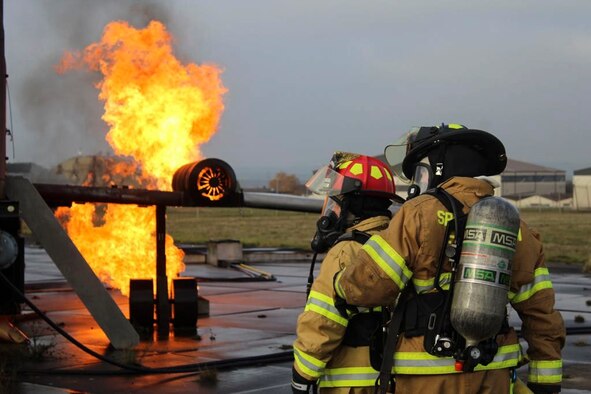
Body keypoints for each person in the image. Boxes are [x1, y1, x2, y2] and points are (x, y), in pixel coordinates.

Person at [334, 124, 565, 394]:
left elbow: (369, 286)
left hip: (426, 371)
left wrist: (341, 285)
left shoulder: (418, 213)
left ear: (437, 167)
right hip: (493, 372)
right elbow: (541, 315)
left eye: (420, 172)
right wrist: (545, 381)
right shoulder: (517, 228)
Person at [292, 152, 404, 394]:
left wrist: (302, 374)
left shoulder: (346, 251)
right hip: (395, 380)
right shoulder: (398, 245)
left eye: (335, 202)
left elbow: (322, 322)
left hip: (352, 385)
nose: (330, 211)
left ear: (352, 206)